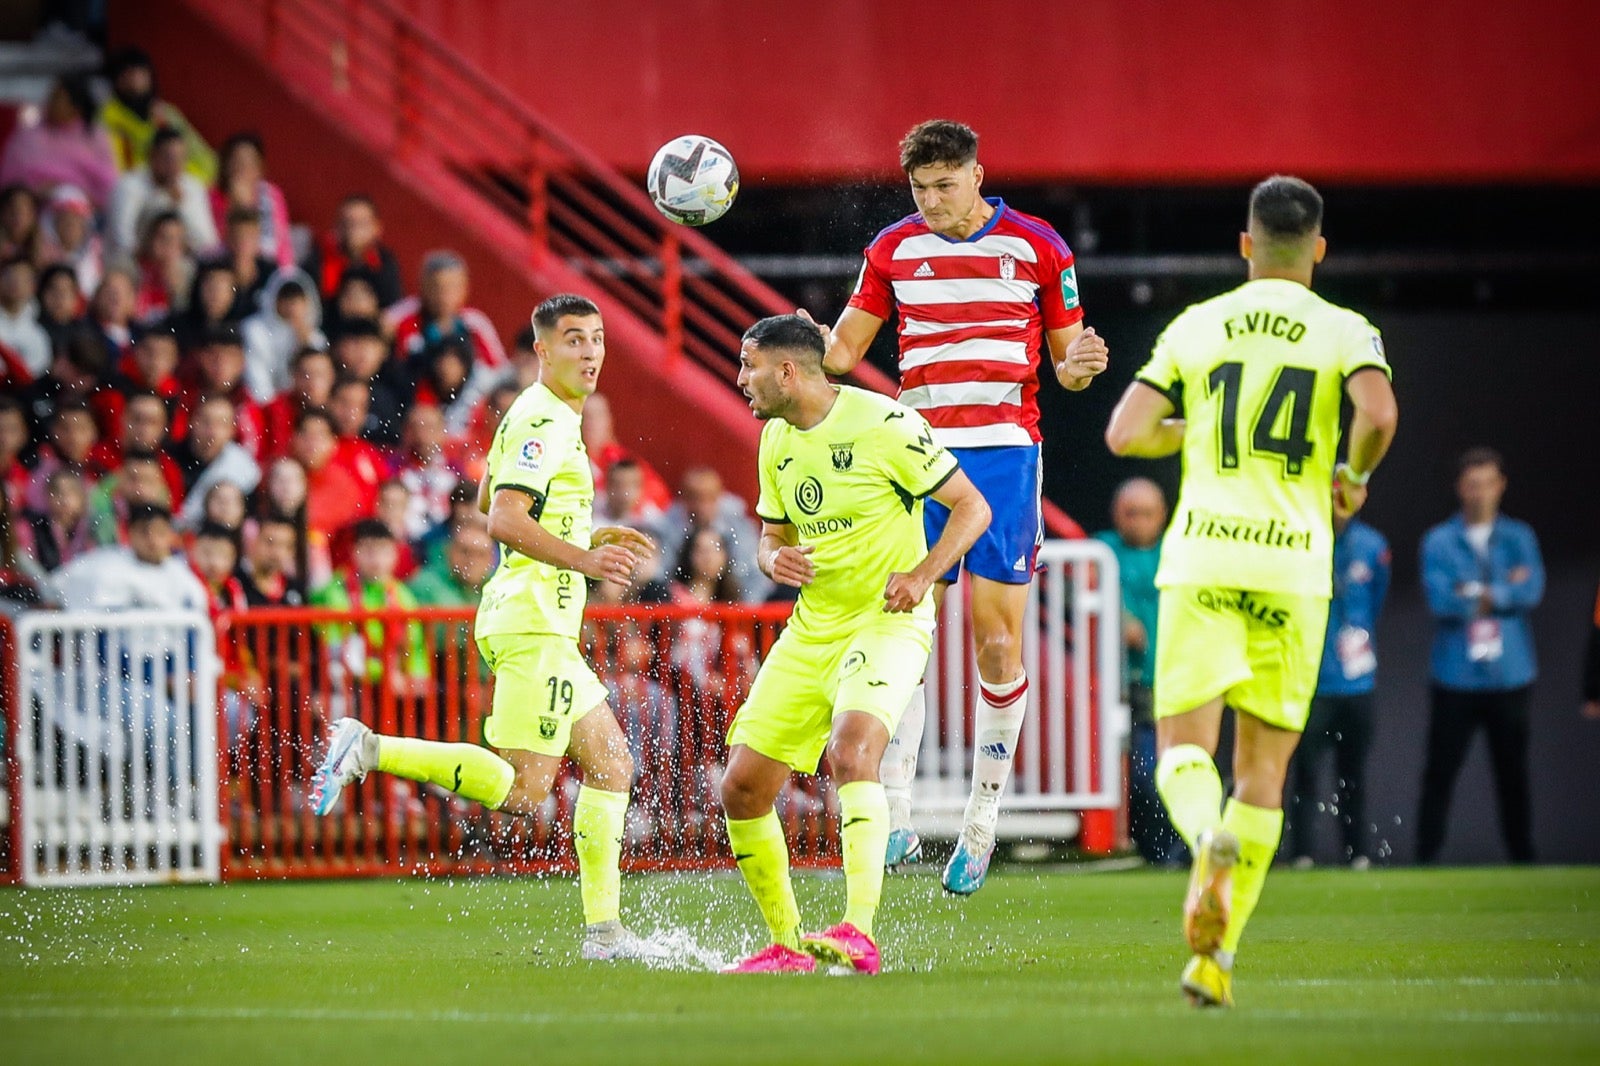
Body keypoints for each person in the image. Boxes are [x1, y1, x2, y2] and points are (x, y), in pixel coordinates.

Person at [1104, 175, 1398, 1008]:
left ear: (1245, 244)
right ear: (1318, 248)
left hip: (1203, 558)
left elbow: (1124, 433)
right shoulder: (1345, 329)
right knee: (1264, 775)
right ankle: (1214, 961)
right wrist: (1352, 475)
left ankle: (1206, 835)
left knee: (1183, 749)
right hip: (1294, 569)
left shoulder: (1198, 325)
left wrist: (1193, 429)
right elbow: (1378, 414)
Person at [310, 293, 662, 961]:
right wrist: (583, 559)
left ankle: (604, 933)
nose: (590, 352)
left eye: (596, 339)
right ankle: (370, 748)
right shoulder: (544, 419)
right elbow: (499, 519)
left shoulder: (540, 414)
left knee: (613, 765)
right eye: (574, 340)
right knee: (525, 791)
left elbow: (486, 494)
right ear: (542, 350)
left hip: (542, 622)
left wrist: (581, 537)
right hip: (533, 621)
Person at [807, 119, 1110, 889]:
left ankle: (980, 824)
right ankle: (898, 814)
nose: (932, 201)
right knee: (903, 625)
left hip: (1005, 456)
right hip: (917, 454)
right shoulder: (892, 248)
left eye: (945, 185)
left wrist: (1084, 362)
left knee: (996, 645)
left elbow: (1068, 368)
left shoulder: (1039, 246)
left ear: (978, 175)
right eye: (920, 189)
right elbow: (841, 354)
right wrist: (810, 346)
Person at [719, 314, 988, 974]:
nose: (740, 379)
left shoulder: (886, 424)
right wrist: (770, 559)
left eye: (749, 365)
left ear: (787, 371)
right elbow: (772, 537)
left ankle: (858, 931)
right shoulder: (775, 439)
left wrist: (923, 574)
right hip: (813, 627)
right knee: (742, 789)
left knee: (851, 752)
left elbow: (973, 507)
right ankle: (789, 946)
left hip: (887, 622)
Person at [1416, 448, 1544, 864]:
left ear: (1501, 486)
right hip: (1455, 675)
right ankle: (1425, 860)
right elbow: (1440, 600)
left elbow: (1531, 591)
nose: (1481, 493)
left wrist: (1473, 592)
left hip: (1510, 675)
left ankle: (1523, 859)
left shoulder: (1519, 537)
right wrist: (1502, 592)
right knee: (1440, 772)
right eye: (1473, 485)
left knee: (1513, 774)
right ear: (1460, 488)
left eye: (1488, 484)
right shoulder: (1438, 540)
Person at [1286, 512, 1390, 868]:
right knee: (1305, 772)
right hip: (1311, 680)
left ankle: (1357, 851)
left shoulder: (1372, 544)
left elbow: (1377, 599)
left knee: (1353, 773)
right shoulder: (1299, 540)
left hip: (1356, 680)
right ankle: (1302, 853)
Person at [1094, 477, 1184, 866]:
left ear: (1162, 515)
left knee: (1164, 771)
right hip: (1115, 686)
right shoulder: (1100, 551)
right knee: (1139, 773)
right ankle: (1150, 849)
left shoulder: (1180, 551)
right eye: (1131, 513)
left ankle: (1173, 850)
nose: (1139, 522)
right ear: (1117, 514)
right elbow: (1062, 583)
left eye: (1147, 514)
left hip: (1173, 683)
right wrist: (1116, 617)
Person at [0, 73, 118, 210]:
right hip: (33, 212)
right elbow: (10, 181)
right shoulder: (29, 135)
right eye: (51, 96)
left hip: (83, 213)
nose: (50, 102)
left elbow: (107, 187)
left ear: (75, 108)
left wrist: (70, 191)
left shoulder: (92, 137)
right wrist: (36, 191)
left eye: (57, 98)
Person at [99, 46, 216, 181]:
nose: (135, 81)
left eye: (141, 73)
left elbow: (204, 158)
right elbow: (119, 167)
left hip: (189, 183)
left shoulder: (167, 112)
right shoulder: (108, 116)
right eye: (128, 74)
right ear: (117, 80)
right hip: (141, 186)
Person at [107, 127, 219, 262]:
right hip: (130, 264)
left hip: (180, 265)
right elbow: (122, 238)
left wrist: (182, 204)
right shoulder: (129, 186)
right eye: (169, 158)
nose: (175, 165)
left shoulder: (193, 187)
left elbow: (207, 242)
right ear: (152, 155)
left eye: (181, 158)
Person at [387, 250, 506, 371]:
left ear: (464, 289)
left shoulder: (476, 324)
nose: (444, 296)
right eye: (437, 287)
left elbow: (500, 370)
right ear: (423, 286)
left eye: (452, 287)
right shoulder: (401, 316)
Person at [209, 133, 295, 270]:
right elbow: (216, 240)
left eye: (249, 161)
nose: (242, 167)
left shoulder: (271, 195)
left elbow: (282, 242)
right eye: (237, 161)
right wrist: (238, 204)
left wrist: (286, 273)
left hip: (267, 269)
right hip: (224, 268)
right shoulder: (213, 198)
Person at [303, 194, 403, 307]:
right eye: (347, 223)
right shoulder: (319, 259)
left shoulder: (385, 263)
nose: (353, 230)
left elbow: (393, 307)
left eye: (361, 223)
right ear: (336, 226)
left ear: (376, 228)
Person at [0, 256, 52, 377]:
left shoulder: (39, 335)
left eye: (23, 279)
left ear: (33, 286)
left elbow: (34, 374)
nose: (16, 283)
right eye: (10, 277)